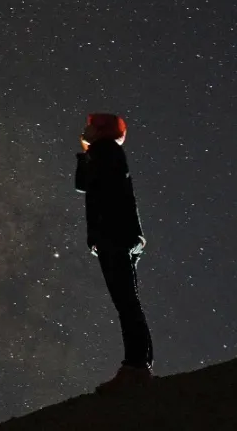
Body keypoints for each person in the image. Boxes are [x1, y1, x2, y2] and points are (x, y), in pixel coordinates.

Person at [75, 112, 153, 392]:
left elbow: (95, 189)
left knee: (126, 302)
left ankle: (136, 367)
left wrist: (104, 235)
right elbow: (84, 185)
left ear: (101, 130)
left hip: (115, 237)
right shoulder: (104, 152)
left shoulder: (106, 151)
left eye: (90, 126)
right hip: (119, 236)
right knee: (127, 300)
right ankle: (139, 366)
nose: (84, 128)